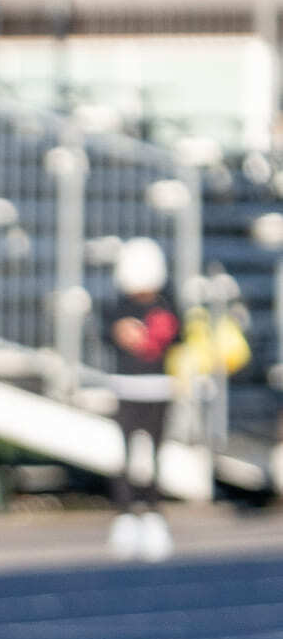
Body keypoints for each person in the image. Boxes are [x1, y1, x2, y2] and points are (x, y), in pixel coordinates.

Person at [102, 238, 185, 562]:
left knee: (153, 456)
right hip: (128, 388)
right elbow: (108, 333)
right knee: (125, 456)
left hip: (158, 388)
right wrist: (122, 332)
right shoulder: (119, 308)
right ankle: (124, 514)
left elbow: (177, 336)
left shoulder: (167, 304)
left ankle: (153, 513)